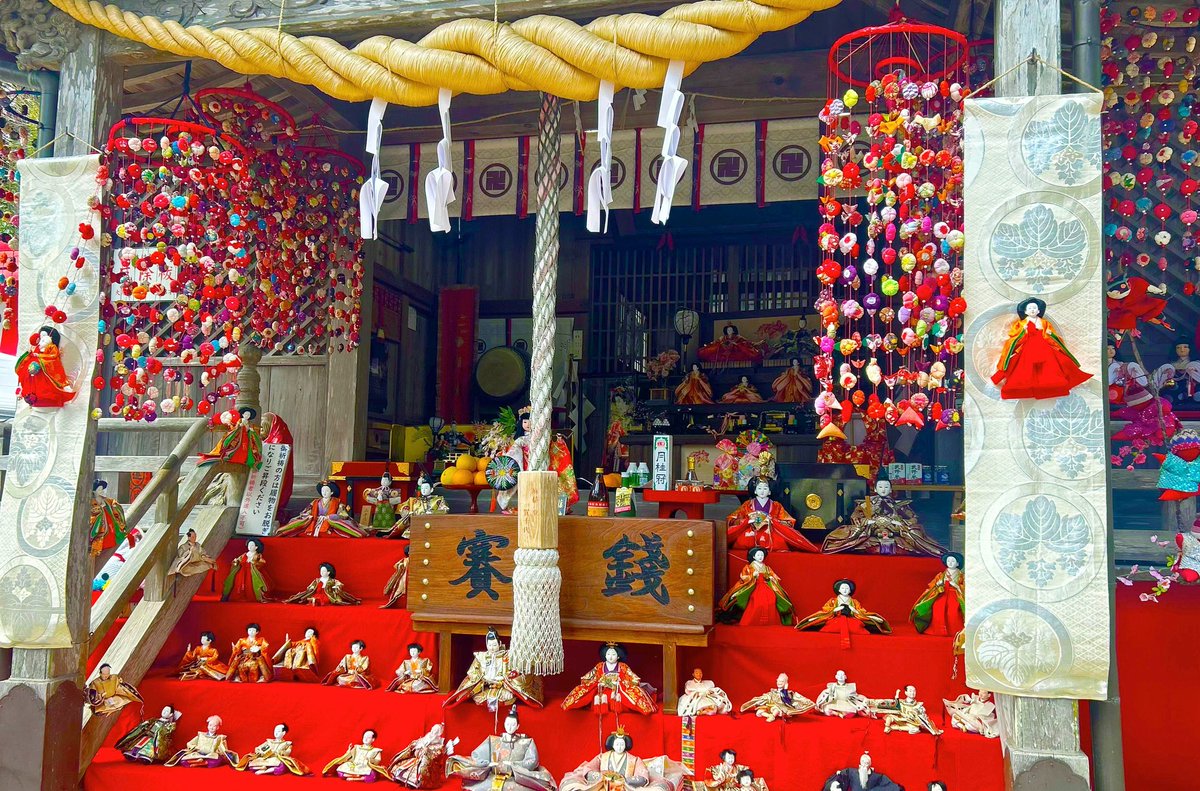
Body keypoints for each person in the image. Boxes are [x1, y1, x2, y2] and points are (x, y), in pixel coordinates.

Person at [991, 297, 1092, 400]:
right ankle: (1021, 387)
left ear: (1039, 311)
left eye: (1035, 308)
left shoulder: (1044, 323)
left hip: (1043, 346)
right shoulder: (1021, 324)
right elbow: (1013, 336)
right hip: (1027, 347)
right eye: (1030, 308)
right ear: (1025, 311)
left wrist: (1050, 334)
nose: (1032, 310)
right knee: (1020, 366)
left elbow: (1050, 336)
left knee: (1054, 365)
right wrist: (1023, 332)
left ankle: (1051, 386)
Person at [824, 475, 947, 556]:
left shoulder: (900, 504)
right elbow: (855, 516)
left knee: (913, 532)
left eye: (886, 487)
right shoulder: (867, 503)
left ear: (891, 489)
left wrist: (901, 523)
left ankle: (932, 550)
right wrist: (866, 522)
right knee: (853, 531)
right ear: (875, 489)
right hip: (871, 530)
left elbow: (913, 517)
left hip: (895, 530)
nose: (883, 489)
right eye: (880, 487)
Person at [446, 705, 556, 791]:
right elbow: (476, 755)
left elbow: (532, 761)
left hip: (516, 779)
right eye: (507, 724)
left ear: (518, 726)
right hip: (493, 776)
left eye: (513, 725)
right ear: (504, 724)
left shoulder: (526, 743)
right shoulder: (493, 740)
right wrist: (488, 763)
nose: (510, 727)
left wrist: (514, 766)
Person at [444, 627, 543, 710]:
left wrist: (507, 678)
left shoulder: (507, 656)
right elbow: (472, 672)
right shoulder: (481, 657)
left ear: (499, 644)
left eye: (494, 645)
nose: (492, 647)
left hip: (503, 685)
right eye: (489, 645)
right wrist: (481, 677)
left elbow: (515, 671)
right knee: (479, 697)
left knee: (507, 696)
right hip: (486, 685)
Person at [559, 728, 687, 791]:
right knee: (570, 786)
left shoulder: (634, 760)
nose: (619, 746)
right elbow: (589, 768)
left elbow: (642, 775)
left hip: (626, 787)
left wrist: (623, 780)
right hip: (602, 786)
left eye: (622, 744)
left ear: (626, 745)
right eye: (617, 744)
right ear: (612, 744)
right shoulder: (602, 757)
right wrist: (601, 777)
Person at [726, 477, 820, 552]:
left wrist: (772, 521)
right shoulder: (747, 505)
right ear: (755, 491)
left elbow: (789, 521)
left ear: (770, 491)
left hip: (770, 531)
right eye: (759, 488)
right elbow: (732, 519)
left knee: (779, 543)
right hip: (751, 530)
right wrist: (747, 521)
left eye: (765, 488)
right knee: (742, 541)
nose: (762, 491)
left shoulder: (776, 505)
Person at [794, 579, 891, 648]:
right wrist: (835, 609)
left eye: (847, 588)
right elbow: (826, 610)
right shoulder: (832, 601)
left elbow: (862, 611)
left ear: (850, 590)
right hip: (835, 619)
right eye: (842, 588)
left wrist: (855, 610)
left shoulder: (854, 601)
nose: (845, 590)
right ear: (838, 590)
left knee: (861, 625)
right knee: (822, 623)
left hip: (852, 619)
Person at [716, 547, 794, 626]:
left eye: (762, 555)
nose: (761, 557)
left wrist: (770, 577)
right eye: (758, 555)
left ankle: (771, 621)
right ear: (753, 556)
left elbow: (771, 575)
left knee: (772, 598)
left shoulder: (766, 567)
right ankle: (752, 620)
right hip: (754, 586)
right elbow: (743, 576)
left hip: (765, 586)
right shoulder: (749, 567)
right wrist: (752, 575)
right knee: (756, 600)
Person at [910, 552, 965, 649]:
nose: (950, 563)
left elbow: (964, 587)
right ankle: (938, 630)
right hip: (942, 594)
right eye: (948, 561)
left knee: (953, 611)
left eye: (953, 561)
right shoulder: (941, 575)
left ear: (957, 563)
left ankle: (955, 630)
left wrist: (956, 586)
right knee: (937, 608)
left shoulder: (961, 576)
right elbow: (932, 585)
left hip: (954, 595)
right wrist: (938, 584)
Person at [277, 480, 370, 537]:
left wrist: (331, 517)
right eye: (323, 491)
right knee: (300, 522)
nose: (324, 493)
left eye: (326, 491)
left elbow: (343, 515)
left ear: (332, 492)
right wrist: (309, 516)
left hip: (330, 523)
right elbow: (305, 511)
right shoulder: (315, 502)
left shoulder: (338, 502)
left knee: (344, 525)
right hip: (315, 521)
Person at [15, 325, 76, 407]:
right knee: (29, 379)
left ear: (50, 337)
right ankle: (31, 395)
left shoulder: (52, 347)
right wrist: (30, 354)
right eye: (40, 336)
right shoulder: (38, 347)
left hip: (45, 366)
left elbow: (54, 355)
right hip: (34, 368)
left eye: (43, 336)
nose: (41, 338)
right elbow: (32, 354)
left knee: (45, 385)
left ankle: (46, 396)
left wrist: (40, 357)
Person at [388, 723, 458, 788]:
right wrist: (417, 746)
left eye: (436, 731)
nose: (433, 732)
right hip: (417, 759)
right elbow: (418, 744)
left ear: (439, 733)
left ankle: (416, 782)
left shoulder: (439, 744)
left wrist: (426, 752)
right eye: (433, 730)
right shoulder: (427, 737)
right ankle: (401, 778)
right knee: (403, 766)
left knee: (421, 771)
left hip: (428, 764)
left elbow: (437, 755)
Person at [383, 474, 449, 539]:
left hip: (432, 525)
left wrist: (433, 513)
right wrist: (407, 512)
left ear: (431, 490)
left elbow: (445, 510)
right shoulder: (414, 500)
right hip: (416, 526)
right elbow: (403, 507)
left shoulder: (438, 500)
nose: (424, 490)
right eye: (422, 488)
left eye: (426, 488)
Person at [197, 406, 263, 469]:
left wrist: (250, 430)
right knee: (236, 447)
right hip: (239, 436)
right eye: (245, 414)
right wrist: (240, 426)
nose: (247, 416)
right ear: (242, 414)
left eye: (248, 415)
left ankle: (246, 458)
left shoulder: (249, 423)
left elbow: (251, 428)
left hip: (246, 436)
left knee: (247, 449)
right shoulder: (240, 421)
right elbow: (236, 427)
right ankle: (235, 456)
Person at [234, 722, 311, 776]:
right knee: (251, 764)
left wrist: (281, 753)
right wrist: (259, 750)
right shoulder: (269, 741)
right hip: (266, 758)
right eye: (275, 731)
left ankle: (265, 771)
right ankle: (263, 767)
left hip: (277, 759)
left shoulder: (287, 743)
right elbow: (258, 748)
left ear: (283, 733)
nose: (276, 733)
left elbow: (288, 752)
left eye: (278, 731)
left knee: (282, 766)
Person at [164, 714, 237, 768]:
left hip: (210, 755)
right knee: (183, 761)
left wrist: (220, 751)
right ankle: (201, 762)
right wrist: (195, 747)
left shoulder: (219, 738)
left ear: (217, 727)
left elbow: (224, 749)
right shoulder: (201, 735)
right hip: (198, 754)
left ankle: (199, 763)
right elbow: (189, 743)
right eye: (210, 725)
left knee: (216, 761)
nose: (211, 727)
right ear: (207, 725)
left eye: (214, 726)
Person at [115, 705, 183, 763]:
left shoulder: (169, 725)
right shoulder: (154, 720)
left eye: (167, 711)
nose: (164, 712)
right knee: (138, 743)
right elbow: (147, 724)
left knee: (150, 747)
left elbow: (167, 732)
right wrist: (145, 724)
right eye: (164, 710)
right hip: (147, 736)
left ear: (171, 714)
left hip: (156, 740)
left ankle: (146, 757)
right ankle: (132, 753)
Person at [739, 672, 814, 722]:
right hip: (768, 706)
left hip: (778, 707)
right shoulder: (773, 691)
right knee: (759, 712)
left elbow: (786, 700)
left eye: (781, 682)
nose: (779, 683)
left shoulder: (786, 693)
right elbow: (768, 695)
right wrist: (765, 698)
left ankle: (773, 715)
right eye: (778, 681)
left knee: (776, 709)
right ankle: (770, 716)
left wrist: (785, 689)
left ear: (785, 683)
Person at [322, 729, 388, 781]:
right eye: (364, 737)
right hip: (354, 765)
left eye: (368, 737)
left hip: (365, 766)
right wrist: (349, 750)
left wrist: (370, 760)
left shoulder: (376, 750)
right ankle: (356, 776)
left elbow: (378, 760)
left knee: (372, 774)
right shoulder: (357, 747)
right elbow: (349, 756)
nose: (365, 739)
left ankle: (356, 778)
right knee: (341, 769)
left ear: (373, 739)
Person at [284, 561, 362, 606]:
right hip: (317, 593)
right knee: (313, 597)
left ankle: (314, 601)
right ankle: (313, 600)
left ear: (328, 572)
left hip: (328, 595)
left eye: (324, 571)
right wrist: (310, 588)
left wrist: (337, 587)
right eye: (321, 571)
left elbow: (340, 584)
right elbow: (311, 586)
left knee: (326, 600)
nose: (322, 572)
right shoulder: (317, 580)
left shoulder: (332, 580)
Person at [876, 685, 943, 735]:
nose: (913, 693)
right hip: (900, 718)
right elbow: (894, 705)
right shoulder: (902, 702)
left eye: (914, 691)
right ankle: (887, 726)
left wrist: (933, 728)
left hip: (911, 722)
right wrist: (897, 695)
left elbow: (924, 717)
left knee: (915, 729)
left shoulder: (918, 705)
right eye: (910, 691)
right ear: (906, 693)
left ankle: (893, 728)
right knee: (889, 717)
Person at [221, 537, 272, 602]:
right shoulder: (244, 555)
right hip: (241, 571)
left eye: (252, 545)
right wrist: (236, 561)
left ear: (256, 547)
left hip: (251, 572)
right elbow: (238, 561)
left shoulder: (257, 555)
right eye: (249, 545)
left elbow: (262, 562)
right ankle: (238, 596)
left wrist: (254, 563)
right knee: (237, 582)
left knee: (251, 584)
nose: (249, 546)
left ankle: (252, 596)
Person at [90, 480, 130, 557]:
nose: (101, 491)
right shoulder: (92, 503)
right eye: (99, 489)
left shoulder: (107, 500)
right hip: (101, 525)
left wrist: (115, 506)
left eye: (102, 489)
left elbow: (114, 504)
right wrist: (99, 512)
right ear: (94, 491)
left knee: (113, 533)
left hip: (110, 521)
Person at [822, 753, 901, 791]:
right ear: (859, 763)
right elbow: (841, 776)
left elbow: (891, 787)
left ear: (870, 764)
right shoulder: (852, 773)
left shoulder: (877, 777)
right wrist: (835, 784)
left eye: (866, 763)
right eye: (862, 762)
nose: (864, 765)